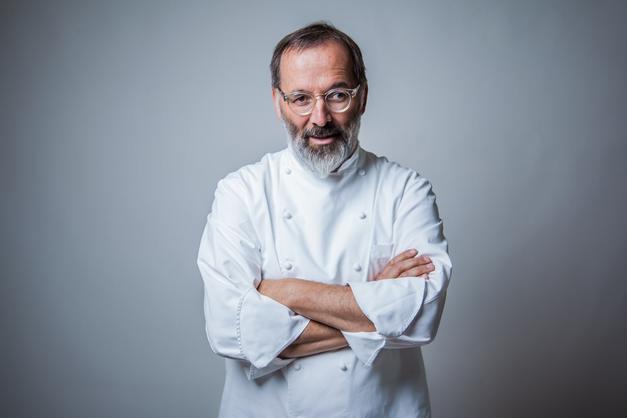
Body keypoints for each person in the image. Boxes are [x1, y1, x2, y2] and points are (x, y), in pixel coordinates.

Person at [197, 21, 452, 418]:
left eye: (337, 95)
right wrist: (378, 302)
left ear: (362, 96)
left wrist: (286, 292)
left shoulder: (406, 190)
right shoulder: (241, 193)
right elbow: (231, 332)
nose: (319, 118)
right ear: (278, 101)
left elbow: (421, 317)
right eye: (300, 97)